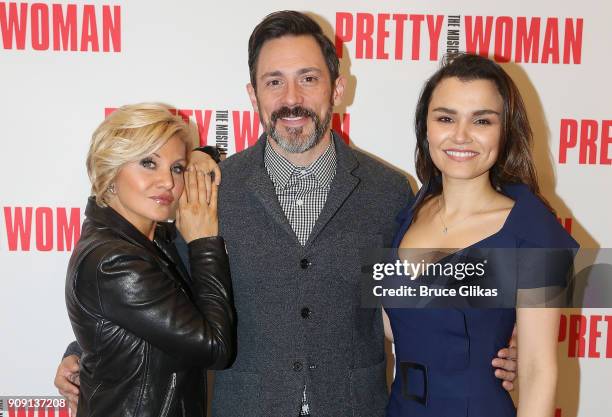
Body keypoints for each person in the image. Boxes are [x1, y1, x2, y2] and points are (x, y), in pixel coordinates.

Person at [55, 12, 518, 417]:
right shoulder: (210, 187)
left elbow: (427, 294)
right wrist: (85, 350)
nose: (291, 97)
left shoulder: (388, 191)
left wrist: (505, 343)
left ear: (336, 89)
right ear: (253, 95)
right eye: (274, 81)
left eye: (308, 78)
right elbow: (163, 286)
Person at [383, 53, 578, 417]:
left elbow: (537, 372)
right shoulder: (409, 213)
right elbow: (394, 326)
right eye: (445, 118)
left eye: (482, 121)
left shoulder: (533, 231)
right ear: (426, 127)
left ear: (505, 131)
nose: (460, 135)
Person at [64, 103, 235, 417]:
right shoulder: (115, 261)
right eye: (148, 163)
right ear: (111, 170)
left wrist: (199, 155)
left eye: (177, 168)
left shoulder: (143, 239)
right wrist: (204, 242)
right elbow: (215, 348)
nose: (168, 182)